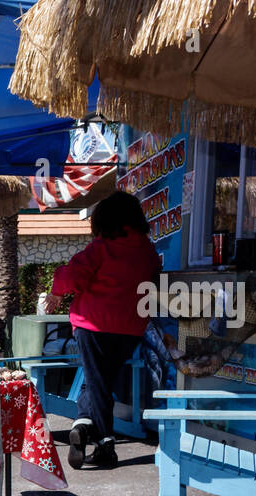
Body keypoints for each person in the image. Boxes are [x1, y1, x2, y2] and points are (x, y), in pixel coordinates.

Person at [44, 190, 161, 469]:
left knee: (97, 381)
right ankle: (84, 426)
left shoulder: (102, 247)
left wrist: (57, 291)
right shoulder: (147, 250)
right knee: (100, 380)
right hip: (130, 328)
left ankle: (105, 441)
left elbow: (72, 275)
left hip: (93, 324)